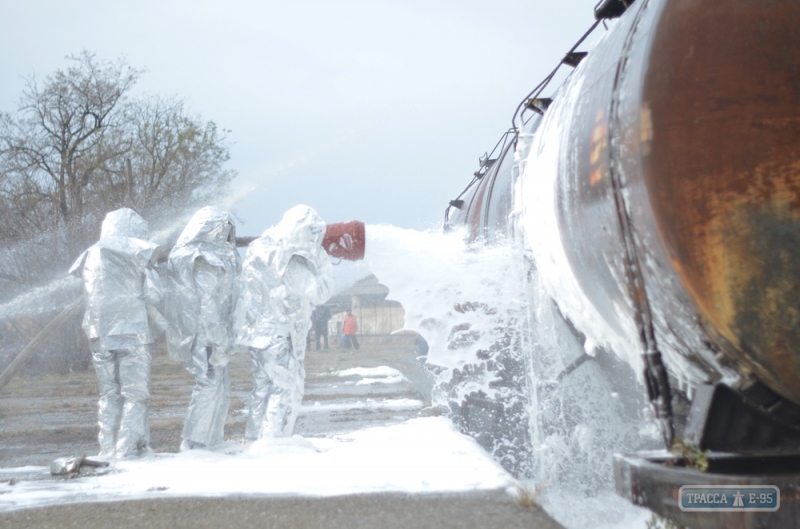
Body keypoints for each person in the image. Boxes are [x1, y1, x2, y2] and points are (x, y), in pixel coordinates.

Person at [233, 205, 334, 439]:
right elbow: (319, 291)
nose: (314, 240)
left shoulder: (260, 247)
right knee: (286, 391)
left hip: (257, 334)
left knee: (262, 390)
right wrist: (322, 260)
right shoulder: (289, 258)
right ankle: (272, 448)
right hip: (280, 335)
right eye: (312, 234)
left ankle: (253, 442)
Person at [69, 208, 163, 460]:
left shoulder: (89, 254)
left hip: (98, 335)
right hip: (132, 334)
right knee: (135, 394)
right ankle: (128, 450)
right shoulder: (137, 252)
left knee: (109, 395)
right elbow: (155, 294)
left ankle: (107, 448)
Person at [165, 207, 239, 451]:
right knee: (209, 384)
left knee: (221, 385)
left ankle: (212, 438)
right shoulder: (202, 258)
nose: (229, 235)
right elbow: (207, 304)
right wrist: (218, 338)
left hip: (209, 334)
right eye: (225, 229)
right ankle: (196, 441)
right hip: (206, 336)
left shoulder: (196, 255)